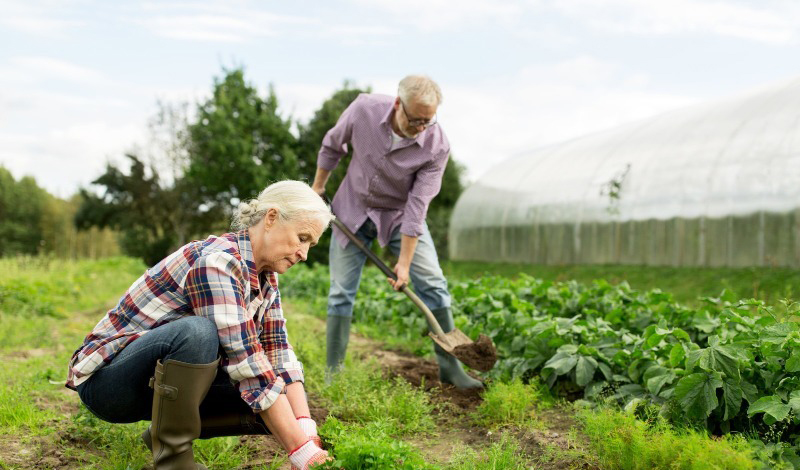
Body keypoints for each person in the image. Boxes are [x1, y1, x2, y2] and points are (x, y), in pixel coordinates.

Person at [66, 181, 334, 470]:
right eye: (302, 237)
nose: (304, 254)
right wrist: (301, 452)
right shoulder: (217, 262)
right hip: (109, 384)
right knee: (197, 334)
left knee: (281, 396)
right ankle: (174, 461)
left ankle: (164, 431)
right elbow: (249, 364)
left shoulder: (265, 275)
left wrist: (306, 431)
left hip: (157, 382)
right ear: (271, 218)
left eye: (311, 244)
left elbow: (277, 348)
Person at [311, 75, 482, 389]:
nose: (420, 128)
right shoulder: (364, 109)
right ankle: (333, 374)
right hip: (353, 208)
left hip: (400, 216)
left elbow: (418, 206)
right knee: (341, 292)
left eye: (427, 122)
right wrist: (317, 188)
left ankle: (452, 369)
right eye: (415, 119)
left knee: (432, 283)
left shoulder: (436, 145)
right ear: (397, 104)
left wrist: (404, 262)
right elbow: (333, 145)